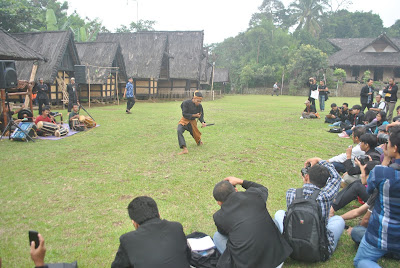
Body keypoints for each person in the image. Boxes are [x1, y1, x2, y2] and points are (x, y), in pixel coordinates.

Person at [212, 177, 292, 268]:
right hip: (277, 260)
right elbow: (263, 188)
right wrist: (241, 181)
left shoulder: (219, 217)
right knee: (271, 222)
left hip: (247, 265)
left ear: (219, 203)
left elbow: (224, 233)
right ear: (236, 190)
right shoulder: (254, 195)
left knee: (217, 236)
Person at [275, 158, 345, 259]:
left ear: (306, 176)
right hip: (320, 250)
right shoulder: (325, 196)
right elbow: (337, 178)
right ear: (325, 184)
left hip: (292, 248)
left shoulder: (291, 193)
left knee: (280, 213)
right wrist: (320, 160)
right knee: (339, 220)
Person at [353, 127, 400, 267]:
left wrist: (385, 159)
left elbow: (369, 189)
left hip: (384, 235)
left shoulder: (382, 172)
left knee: (357, 238)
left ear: (395, 148)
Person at [112, 196, 190, 268]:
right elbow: (188, 256)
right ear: (159, 214)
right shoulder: (176, 227)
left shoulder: (128, 240)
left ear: (134, 223)